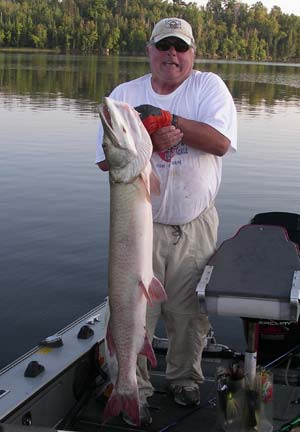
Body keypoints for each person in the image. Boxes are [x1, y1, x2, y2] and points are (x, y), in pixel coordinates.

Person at [96, 17, 237, 426]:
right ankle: (130, 386)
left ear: (191, 54)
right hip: (139, 230)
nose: (171, 55)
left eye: (180, 47)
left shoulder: (208, 87)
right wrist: (149, 141)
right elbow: (112, 160)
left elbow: (221, 142)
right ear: (150, 51)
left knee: (189, 313)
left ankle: (184, 379)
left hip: (195, 225)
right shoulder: (124, 95)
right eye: (163, 46)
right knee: (130, 307)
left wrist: (167, 119)